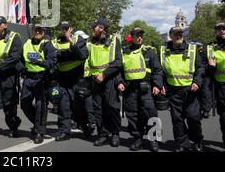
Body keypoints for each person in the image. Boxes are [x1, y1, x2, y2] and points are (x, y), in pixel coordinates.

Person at [117, 27, 163, 152]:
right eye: (137, 35)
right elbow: (119, 71)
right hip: (130, 89)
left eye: (141, 35)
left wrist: (157, 85)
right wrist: (120, 82)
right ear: (131, 36)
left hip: (146, 88)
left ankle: (153, 140)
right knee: (132, 115)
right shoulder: (124, 52)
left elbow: (157, 70)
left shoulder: (149, 52)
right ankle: (138, 139)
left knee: (151, 114)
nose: (139, 37)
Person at [161, 26, 205, 152]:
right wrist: (162, 85)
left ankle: (197, 140)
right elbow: (161, 71)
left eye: (180, 33)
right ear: (171, 36)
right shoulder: (164, 50)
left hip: (190, 90)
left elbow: (200, 67)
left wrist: (197, 82)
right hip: (173, 90)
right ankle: (183, 143)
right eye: (176, 34)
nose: (179, 36)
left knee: (193, 118)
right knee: (177, 120)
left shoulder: (191, 49)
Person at [86, 18, 123, 147]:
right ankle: (102, 134)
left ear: (102, 28)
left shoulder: (114, 41)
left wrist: (104, 74)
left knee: (111, 107)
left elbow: (118, 62)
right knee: (98, 109)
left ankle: (115, 133)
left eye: (94, 27)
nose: (92, 29)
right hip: (94, 80)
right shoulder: (89, 42)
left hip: (109, 79)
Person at [51, 22, 88, 141]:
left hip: (77, 77)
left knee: (78, 105)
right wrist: (70, 54)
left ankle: (85, 125)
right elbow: (55, 56)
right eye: (62, 29)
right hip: (62, 77)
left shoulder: (79, 39)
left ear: (71, 29)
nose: (64, 31)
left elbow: (82, 55)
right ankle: (64, 131)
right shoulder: (55, 41)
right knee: (63, 105)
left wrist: (70, 42)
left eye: (66, 28)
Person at [20, 24, 57, 144]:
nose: (37, 32)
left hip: (42, 78)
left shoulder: (48, 45)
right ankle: (38, 125)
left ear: (43, 32)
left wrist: (40, 63)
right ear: (32, 31)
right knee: (24, 104)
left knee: (41, 106)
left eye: (40, 31)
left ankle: (39, 132)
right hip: (28, 78)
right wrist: (20, 68)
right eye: (36, 30)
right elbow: (20, 60)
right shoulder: (26, 44)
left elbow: (52, 62)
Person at [206, 22, 225, 152]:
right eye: (218, 29)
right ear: (216, 32)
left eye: (224, 28)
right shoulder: (211, 48)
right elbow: (208, 74)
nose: (221, 31)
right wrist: (211, 67)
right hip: (222, 89)